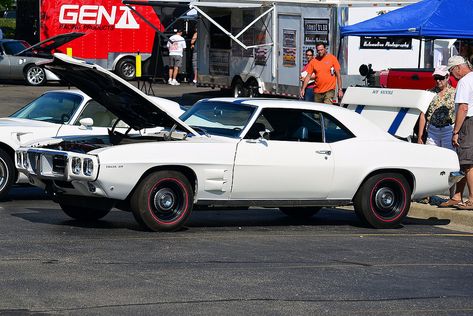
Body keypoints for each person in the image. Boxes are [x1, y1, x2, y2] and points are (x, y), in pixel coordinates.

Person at [440, 56, 473, 209]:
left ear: (458, 68)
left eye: (452, 71)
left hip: (468, 122)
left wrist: (456, 131)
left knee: (467, 163)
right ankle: (457, 195)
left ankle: (472, 199)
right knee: (463, 162)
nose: (452, 75)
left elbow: (463, 108)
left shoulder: (465, 81)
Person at [417, 66, 456, 149]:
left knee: (448, 156)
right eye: (436, 78)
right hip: (432, 131)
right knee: (431, 157)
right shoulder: (429, 93)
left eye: (440, 78)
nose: (438, 81)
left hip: (448, 130)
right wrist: (420, 136)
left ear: (447, 77)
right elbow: (423, 114)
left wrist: (456, 133)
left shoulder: (455, 93)